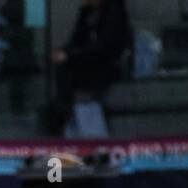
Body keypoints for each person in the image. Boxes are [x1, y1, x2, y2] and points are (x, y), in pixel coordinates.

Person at [47, 0, 132, 137]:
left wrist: (70, 54)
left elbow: (105, 45)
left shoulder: (114, 12)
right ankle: (62, 114)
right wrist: (63, 51)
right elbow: (76, 39)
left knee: (71, 71)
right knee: (64, 69)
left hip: (106, 62)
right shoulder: (86, 12)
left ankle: (64, 114)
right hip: (85, 59)